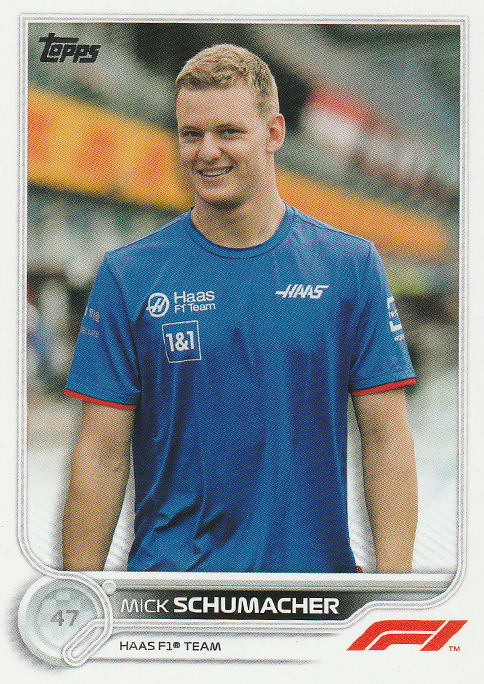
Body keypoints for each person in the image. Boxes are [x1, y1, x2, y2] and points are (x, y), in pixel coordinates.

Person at [63, 44, 418, 574]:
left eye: (228, 132)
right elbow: (101, 452)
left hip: (311, 592)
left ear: (273, 133)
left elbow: (386, 437)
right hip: (173, 591)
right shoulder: (128, 276)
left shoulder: (350, 266)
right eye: (191, 134)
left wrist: (391, 593)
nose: (207, 151)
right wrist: (78, 597)